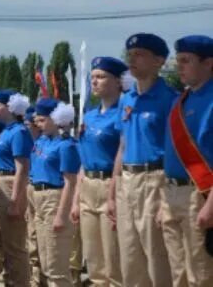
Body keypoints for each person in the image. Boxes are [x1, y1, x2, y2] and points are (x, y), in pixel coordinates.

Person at [108, 33, 176, 287]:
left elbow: (174, 149)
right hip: (127, 179)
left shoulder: (169, 99)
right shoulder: (127, 99)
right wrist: (113, 191)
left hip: (155, 179)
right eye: (130, 54)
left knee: (157, 256)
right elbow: (123, 145)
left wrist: (167, 197)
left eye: (140, 54)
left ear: (159, 60)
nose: (132, 60)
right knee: (130, 257)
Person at [161, 35, 213, 285]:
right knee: (178, 274)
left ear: (208, 63)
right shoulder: (179, 101)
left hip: (199, 195)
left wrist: (211, 205)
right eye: (178, 60)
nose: (179, 66)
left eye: (186, 60)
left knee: (200, 275)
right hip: (172, 193)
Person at [70, 56, 126, 286]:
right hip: (88, 186)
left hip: (110, 184)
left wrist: (112, 193)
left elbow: (121, 156)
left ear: (118, 81)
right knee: (93, 259)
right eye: (93, 77)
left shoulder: (122, 113)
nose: (95, 82)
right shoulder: (90, 116)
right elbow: (84, 161)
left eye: (101, 77)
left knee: (113, 257)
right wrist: (76, 199)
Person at [29, 98, 80, 287]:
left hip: (55, 197)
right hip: (38, 197)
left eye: (42, 120)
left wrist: (61, 214)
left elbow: (70, 182)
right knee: (45, 261)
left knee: (56, 264)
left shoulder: (65, 145)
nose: (38, 124)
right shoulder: (42, 141)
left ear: (55, 118)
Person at [0, 89, 33, 286]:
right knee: (3, 243)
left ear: (10, 108)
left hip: (9, 184)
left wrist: (16, 201)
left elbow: (22, 168)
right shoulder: (5, 131)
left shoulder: (19, 132)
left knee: (14, 245)